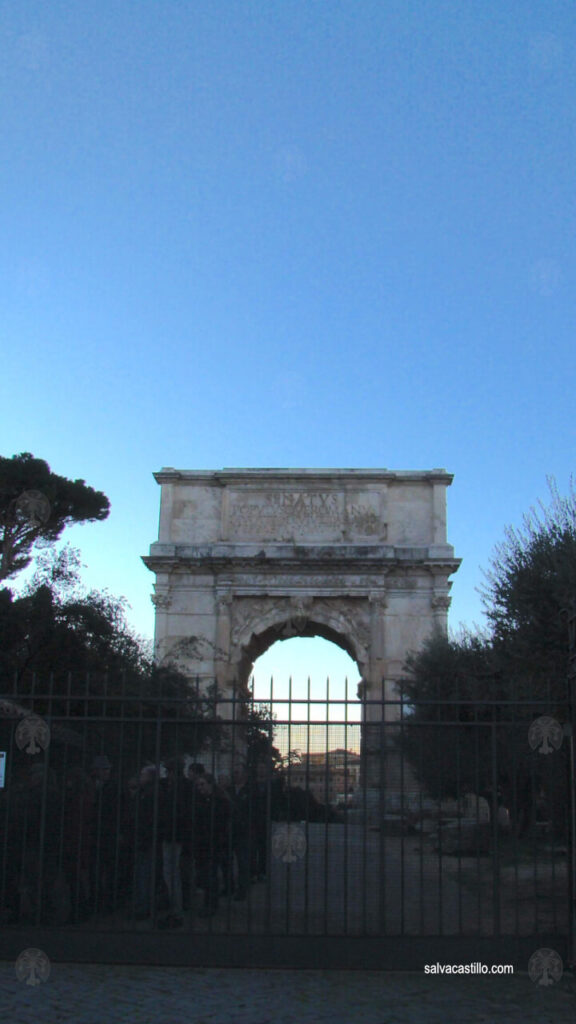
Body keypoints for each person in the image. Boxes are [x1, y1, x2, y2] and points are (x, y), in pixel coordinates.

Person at [193, 773, 230, 916]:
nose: (200, 788)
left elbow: (222, 823)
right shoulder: (199, 800)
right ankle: (207, 903)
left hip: (214, 842)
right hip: (202, 843)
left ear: (210, 784)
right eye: (198, 785)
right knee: (205, 874)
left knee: (211, 875)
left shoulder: (220, 801)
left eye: (202, 784)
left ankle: (211, 904)